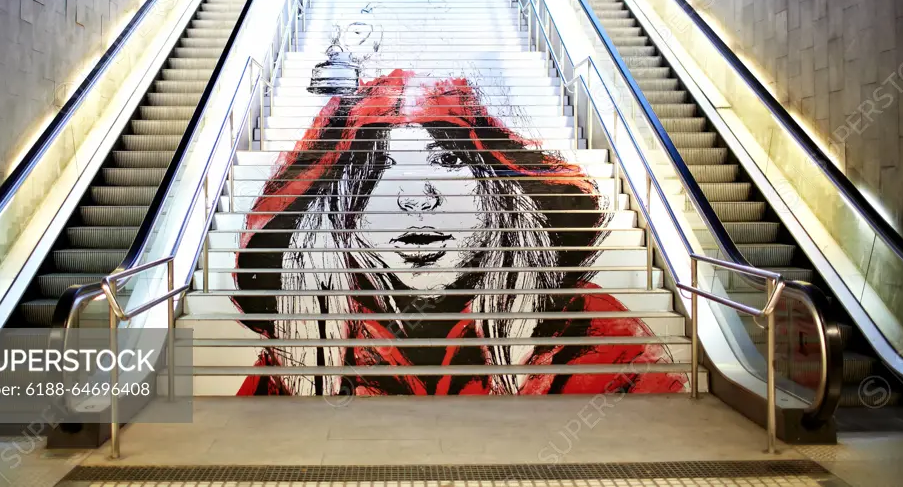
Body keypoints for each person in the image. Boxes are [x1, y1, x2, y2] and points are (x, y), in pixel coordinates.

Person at [233, 70, 686, 395]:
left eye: (446, 161)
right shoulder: (306, 341)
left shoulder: (594, 332)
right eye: (381, 168)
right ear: (339, 211)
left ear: (499, 195)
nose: (417, 198)